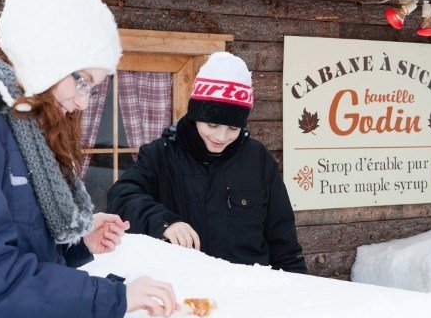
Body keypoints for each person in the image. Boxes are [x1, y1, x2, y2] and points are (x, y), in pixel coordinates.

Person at [0, 0, 178, 318]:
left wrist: (76, 248)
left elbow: (20, 251)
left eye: (95, 85)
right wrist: (113, 298)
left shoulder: (21, 127)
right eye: (81, 79)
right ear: (44, 54)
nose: (85, 102)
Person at [107, 52, 307, 273]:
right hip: (184, 288)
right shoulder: (161, 155)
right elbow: (122, 197)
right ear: (195, 115)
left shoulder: (258, 159)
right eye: (212, 125)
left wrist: (300, 290)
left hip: (251, 291)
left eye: (232, 128)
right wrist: (165, 222)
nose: (221, 137)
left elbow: (284, 243)